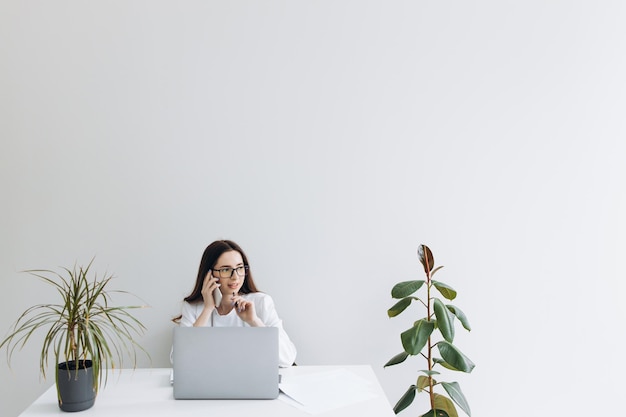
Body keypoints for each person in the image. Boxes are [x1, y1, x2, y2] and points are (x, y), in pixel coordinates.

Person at [173, 240, 297, 367]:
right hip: (209, 384)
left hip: (252, 383)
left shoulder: (261, 302)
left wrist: (254, 321)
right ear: (209, 274)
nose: (235, 277)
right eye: (226, 270)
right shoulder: (193, 307)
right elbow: (179, 361)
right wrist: (208, 309)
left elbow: (287, 359)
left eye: (240, 268)